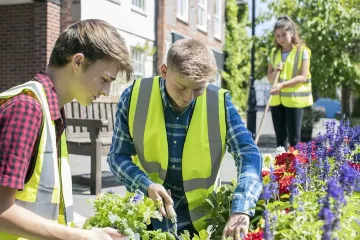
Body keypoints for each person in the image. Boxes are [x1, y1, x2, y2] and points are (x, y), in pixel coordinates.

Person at [107, 39, 263, 239]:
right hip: (145, 215)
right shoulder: (134, 96)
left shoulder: (220, 104)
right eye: (181, 87)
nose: (189, 97)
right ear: (164, 72)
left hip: (201, 222)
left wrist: (241, 209)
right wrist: (146, 185)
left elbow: (248, 153)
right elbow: (117, 156)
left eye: (198, 89)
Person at [0, 19, 133, 240]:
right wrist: (81, 237)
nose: (106, 90)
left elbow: (41, 206)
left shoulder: (51, 111)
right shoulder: (27, 109)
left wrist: (85, 226)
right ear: (78, 62)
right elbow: (2, 210)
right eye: (104, 79)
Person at [267, 15, 313, 148]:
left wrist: (281, 85)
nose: (280, 39)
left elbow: (303, 77)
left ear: (292, 32)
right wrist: (276, 71)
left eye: (283, 35)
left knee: (294, 140)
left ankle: (296, 168)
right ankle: (280, 168)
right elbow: (269, 78)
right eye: (277, 36)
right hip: (276, 101)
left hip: (294, 100)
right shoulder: (274, 53)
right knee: (280, 142)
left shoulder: (303, 51)